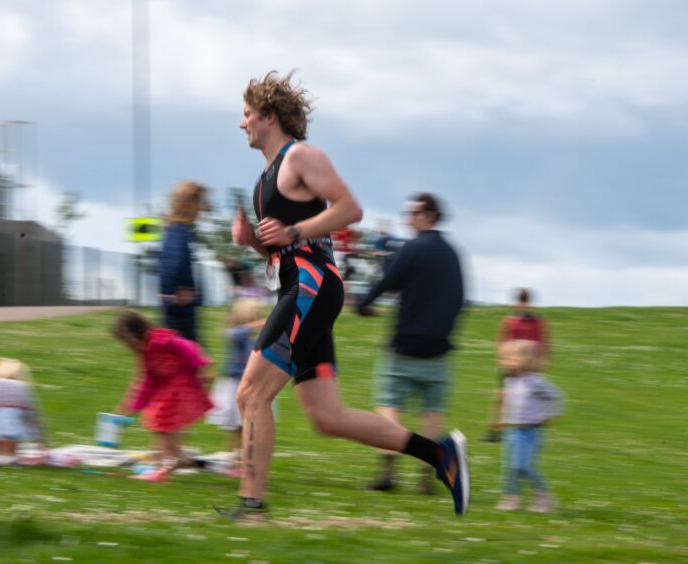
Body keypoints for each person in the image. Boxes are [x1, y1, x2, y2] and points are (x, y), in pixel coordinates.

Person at [228, 70, 469, 518]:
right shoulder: (264, 182)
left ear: (269, 116)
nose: (241, 124)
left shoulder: (301, 157)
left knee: (250, 395)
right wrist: (253, 241)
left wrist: (294, 229)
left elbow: (350, 209)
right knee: (328, 417)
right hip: (300, 290)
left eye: (246, 115)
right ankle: (441, 457)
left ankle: (251, 506)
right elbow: (283, 245)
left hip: (311, 289)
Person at [356, 193, 464, 494]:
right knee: (431, 412)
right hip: (439, 351)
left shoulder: (412, 248)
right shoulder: (452, 254)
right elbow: (459, 299)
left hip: (402, 348)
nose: (408, 219)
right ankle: (425, 478)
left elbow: (386, 281)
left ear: (430, 216)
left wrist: (362, 304)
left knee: (389, 406)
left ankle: (388, 473)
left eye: (413, 213)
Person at [113, 310, 213, 482]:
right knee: (161, 423)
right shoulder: (145, 354)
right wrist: (133, 408)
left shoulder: (161, 340)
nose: (128, 346)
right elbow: (147, 383)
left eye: (128, 341)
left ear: (136, 333)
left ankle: (166, 466)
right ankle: (177, 459)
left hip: (181, 385)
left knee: (162, 422)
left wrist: (202, 368)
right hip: (167, 390)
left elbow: (189, 348)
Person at [494, 340, 563, 512]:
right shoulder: (511, 380)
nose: (505, 361)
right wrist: (502, 420)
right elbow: (509, 403)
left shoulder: (535, 381)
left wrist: (551, 413)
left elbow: (556, 396)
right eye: (504, 358)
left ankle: (543, 496)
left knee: (523, 467)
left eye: (510, 358)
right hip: (511, 430)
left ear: (525, 359)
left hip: (529, 431)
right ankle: (511, 498)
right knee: (509, 467)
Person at [485, 288, 551, 442]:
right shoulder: (509, 320)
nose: (523, 306)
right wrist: (503, 359)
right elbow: (501, 341)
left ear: (529, 303)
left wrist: (544, 361)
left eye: (525, 303)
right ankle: (494, 430)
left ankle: (527, 429)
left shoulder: (539, 322)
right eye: (521, 303)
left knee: (530, 398)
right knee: (502, 396)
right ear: (517, 303)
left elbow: (545, 342)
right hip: (511, 366)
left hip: (531, 367)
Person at [206, 298, 265, 464]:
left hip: (249, 384)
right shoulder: (235, 334)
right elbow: (233, 334)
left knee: (244, 425)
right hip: (234, 384)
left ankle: (238, 457)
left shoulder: (251, 338)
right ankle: (235, 456)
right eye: (253, 316)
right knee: (236, 426)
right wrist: (254, 325)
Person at [159, 181, 209, 342]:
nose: (202, 210)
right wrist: (173, 294)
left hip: (180, 314)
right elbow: (173, 262)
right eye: (199, 203)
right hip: (180, 316)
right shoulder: (178, 232)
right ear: (190, 204)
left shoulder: (177, 230)